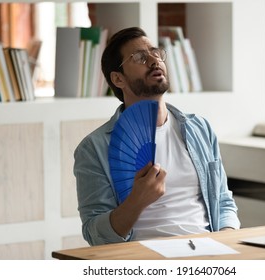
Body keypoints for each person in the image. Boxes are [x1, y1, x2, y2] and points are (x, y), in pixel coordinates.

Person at [74, 26, 240, 246]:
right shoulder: (94, 148)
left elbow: (223, 201)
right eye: (140, 57)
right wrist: (137, 201)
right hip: (145, 258)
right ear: (118, 79)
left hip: (208, 250)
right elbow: (95, 235)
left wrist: (227, 239)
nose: (154, 61)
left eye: (155, 52)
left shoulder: (200, 129)